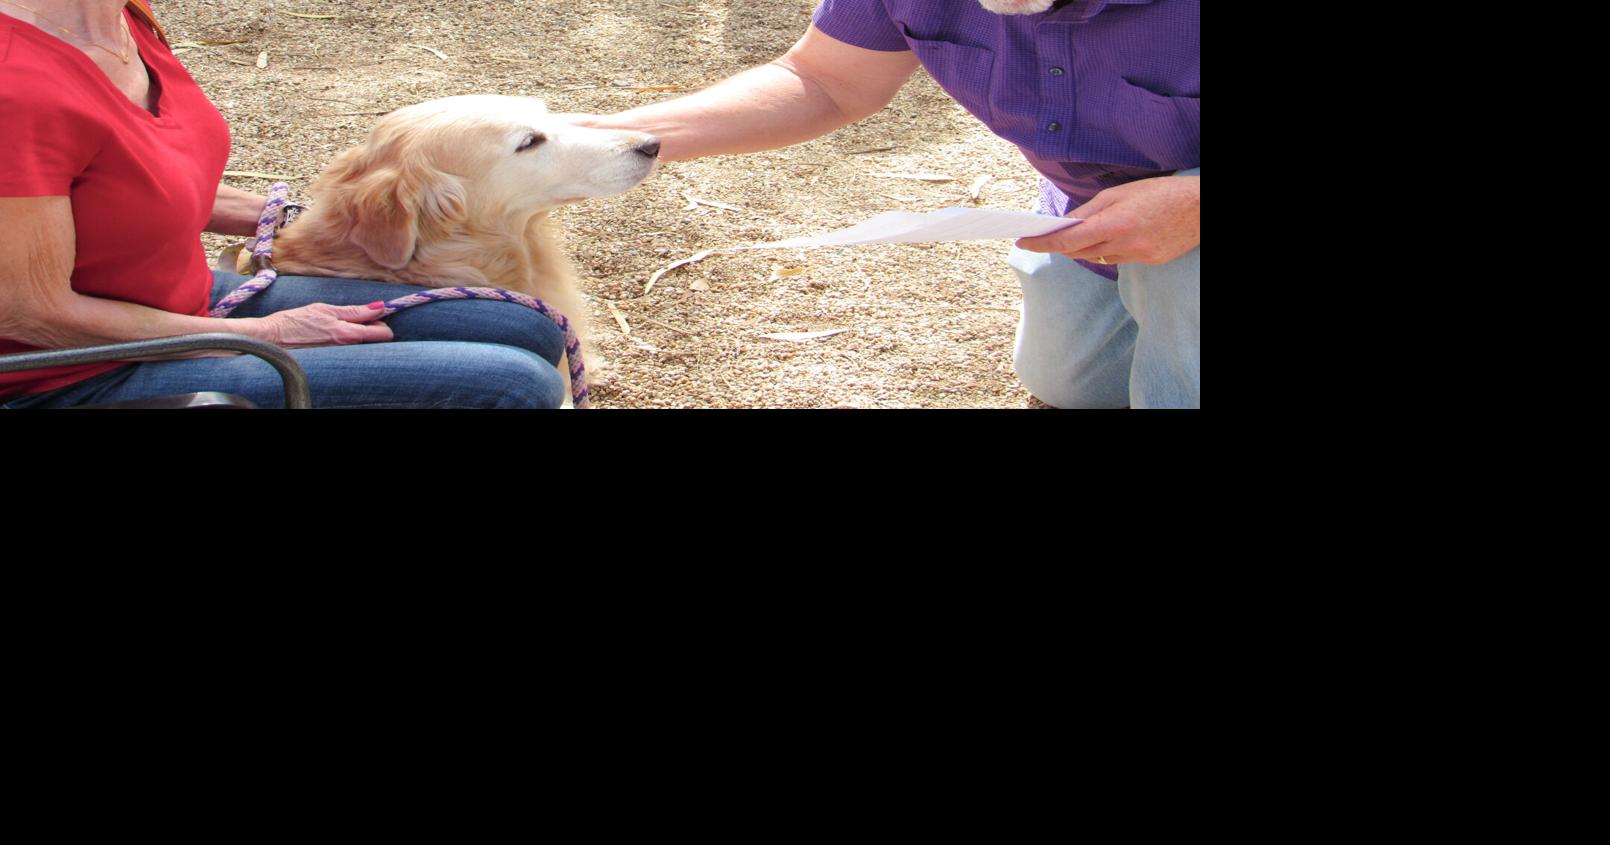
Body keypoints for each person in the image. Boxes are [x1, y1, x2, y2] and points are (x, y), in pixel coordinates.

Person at [577, 0, 1199, 408]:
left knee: (1182, 294)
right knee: (1072, 385)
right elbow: (826, 80)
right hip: (1088, 214)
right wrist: (602, 143)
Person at [0, 0, 568, 409]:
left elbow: (132, 184)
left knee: (519, 323)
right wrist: (268, 334)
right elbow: (31, 315)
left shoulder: (124, 18)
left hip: (175, 301)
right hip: (70, 377)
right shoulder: (18, 85)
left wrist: (314, 219)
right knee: (515, 384)